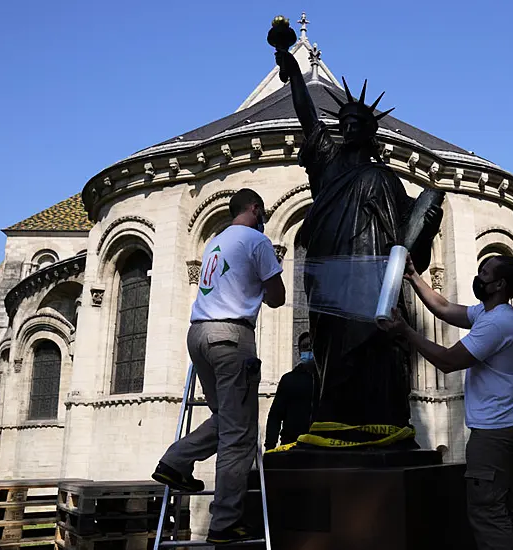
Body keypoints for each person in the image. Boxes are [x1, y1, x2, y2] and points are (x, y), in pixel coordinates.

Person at [273, 47, 441, 432]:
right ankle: (336, 423)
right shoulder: (327, 166)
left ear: (370, 132)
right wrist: (294, 70)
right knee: (334, 359)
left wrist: (428, 220)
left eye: (356, 123)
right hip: (330, 287)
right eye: (344, 122)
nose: (348, 128)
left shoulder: (387, 179)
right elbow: (307, 117)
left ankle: (381, 425)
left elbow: (409, 244)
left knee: (378, 357)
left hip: (374, 287)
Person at [151, 188, 286, 545]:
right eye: (263, 213)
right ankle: (225, 523)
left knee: (228, 418)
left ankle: (174, 462)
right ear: (255, 209)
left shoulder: (215, 241)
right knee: (239, 436)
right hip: (231, 336)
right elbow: (278, 297)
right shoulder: (257, 242)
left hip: (198, 335)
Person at [379, 254, 513, 550]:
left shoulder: (496, 323)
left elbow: (449, 361)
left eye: (485, 272)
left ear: (499, 285)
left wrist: (406, 332)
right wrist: (413, 276)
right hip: (509, 425)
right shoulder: (491, 313)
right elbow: (444, 309)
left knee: (487, 510)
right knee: (510, 505)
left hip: (494, 431)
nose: (479, 276)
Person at [264, 331, 320, 450]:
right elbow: (275, 415)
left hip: (321, 445)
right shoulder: (289, 380)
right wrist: (270, 446)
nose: (309, 350)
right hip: (292, 444)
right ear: (299, 352)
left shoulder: (328, 380)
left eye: (312, 345)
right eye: (305, 347)